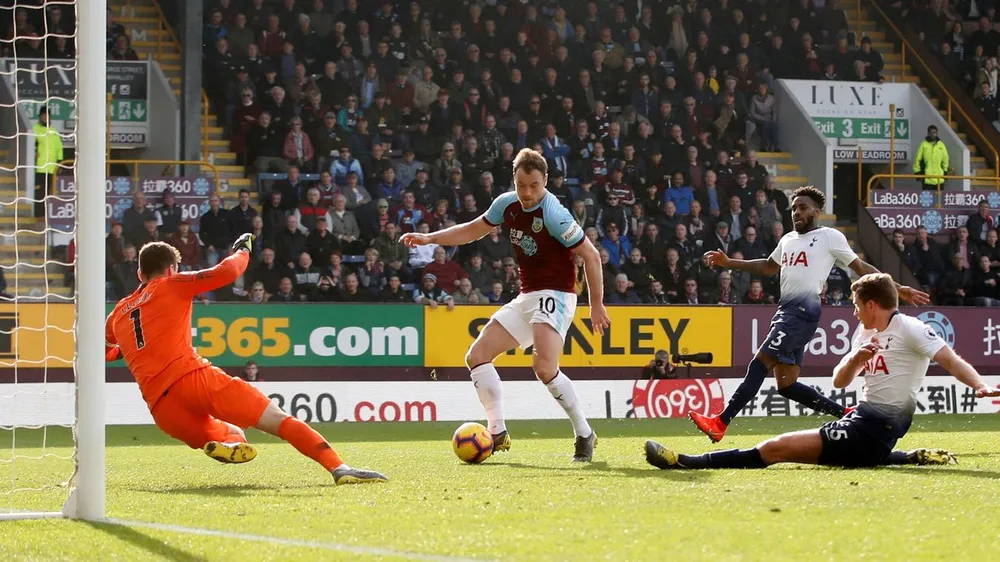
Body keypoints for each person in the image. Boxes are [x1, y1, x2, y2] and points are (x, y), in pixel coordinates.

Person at [104, 235, 386, 485]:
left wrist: (128, 350)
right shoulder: (171, 284)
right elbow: (227, 271)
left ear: (140, 273)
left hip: (162, 408)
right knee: (278, 420)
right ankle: (339, 467)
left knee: (231, 434)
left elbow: (105, 351)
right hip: (193, 379)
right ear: (170, 269)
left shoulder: (117, 314)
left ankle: (228, 446)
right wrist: (243, 250)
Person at [647, 273, 1000, 470]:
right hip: (862, 423)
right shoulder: (865, 333)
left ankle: (687, 462)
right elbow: (840, 380)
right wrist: (857, 358)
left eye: (856, 305)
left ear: (871, 305)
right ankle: (906, 456)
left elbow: (951, 359)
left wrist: (980, 385)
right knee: (825, 450)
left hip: (874, 429)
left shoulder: (910, 329)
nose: (853, 312)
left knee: (776, 448)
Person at [400, 148, 610, 462]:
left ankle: (584, 433)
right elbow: (472, 230)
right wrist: (431, 239)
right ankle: (497, 432)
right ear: (514, 180)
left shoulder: (554, 213)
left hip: (557, 293)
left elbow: (591, 256)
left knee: (543, 367)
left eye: (534, 185)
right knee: (477, 356)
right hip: (527, 294)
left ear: (545, 182)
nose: (527, 193)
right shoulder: (505, 204)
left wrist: (596, 305)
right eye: (521, 184)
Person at [690, 186, 930, 443]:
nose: (796, 212)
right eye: (793, 208)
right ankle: (846, 414)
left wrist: (897, 288)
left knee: (759, 364)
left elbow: (861, 267)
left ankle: (721, 422)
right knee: (787, 385)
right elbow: (769, 267)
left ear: (817, 211)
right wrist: (729, 263)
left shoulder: (830, 237)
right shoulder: (788, 239)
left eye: (802, 207)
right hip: (787, 311)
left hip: (801, 312)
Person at [913, 125, 949, 191]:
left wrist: (945, 171)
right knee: (927, 200)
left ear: (937, 133)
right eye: (931, 133)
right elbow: (917, 159)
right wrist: (917, 172)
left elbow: (945, 159)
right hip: (927, 179)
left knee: (939, 200)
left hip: (939, 179)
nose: (933, 134)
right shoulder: (923, 144)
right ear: (928, 133)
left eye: (934, 132)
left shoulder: (941, 145)